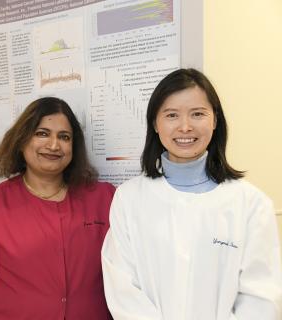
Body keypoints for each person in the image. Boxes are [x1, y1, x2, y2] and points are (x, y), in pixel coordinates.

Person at [102, 68, 282, 319]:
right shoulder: (128, 198)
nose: (185, 127)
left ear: (215, 120)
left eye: (197, 114)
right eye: (172, 115)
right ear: (155, 123)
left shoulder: (252, 204)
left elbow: (261, 299)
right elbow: (123, 290)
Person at [0, 97, 115, 319]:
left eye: (64, 137)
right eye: (42, 133)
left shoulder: (104, 198)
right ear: (22, 139)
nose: (54, 145)